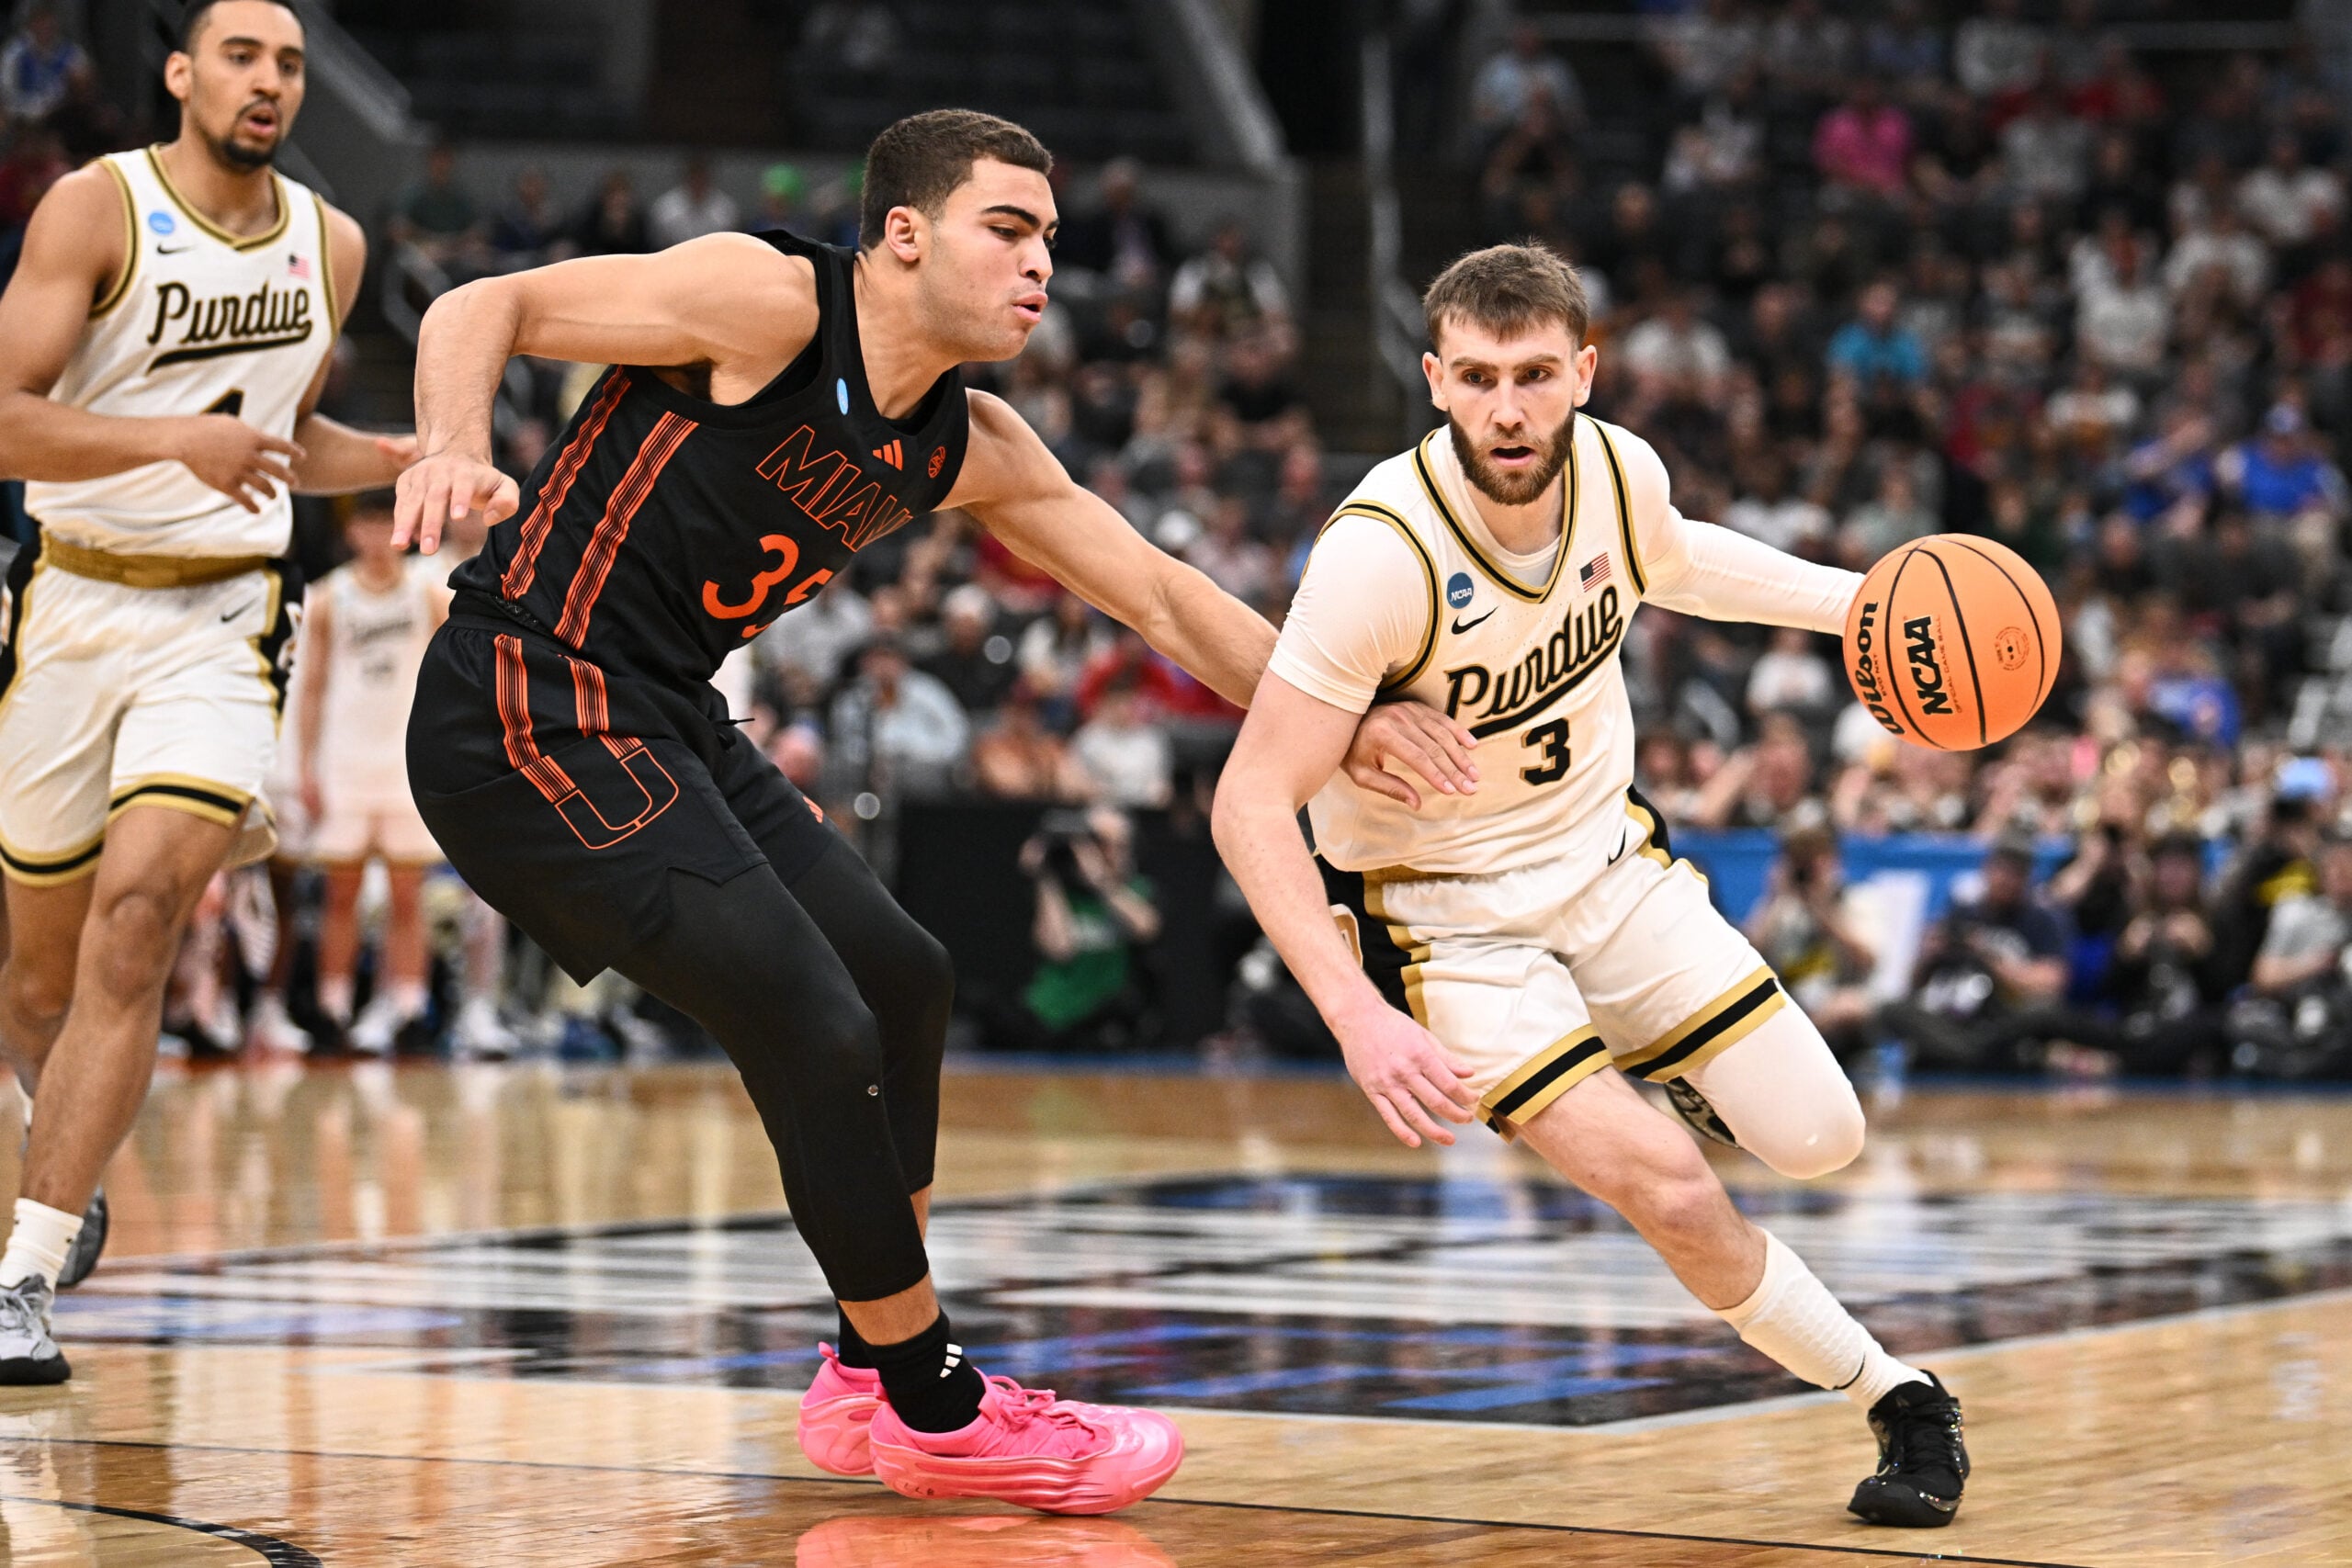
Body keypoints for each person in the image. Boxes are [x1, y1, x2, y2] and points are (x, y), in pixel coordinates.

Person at [389, 108, 1470, 1513]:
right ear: (902, 235)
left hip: (664, 713)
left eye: (1052, 243)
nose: (1041, 268)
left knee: (903, 978)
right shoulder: (767, 301)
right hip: (523, 699)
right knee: (812, 1017)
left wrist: (1346, 712)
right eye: (1007, 230)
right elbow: (490, 300)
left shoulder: (968, 439)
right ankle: (935, 1399)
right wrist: (449, 446)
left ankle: (864, 1365)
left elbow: (1156, 594)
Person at [1210, 243, 1969, 1529]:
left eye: (1538, 375)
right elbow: (1245, 800)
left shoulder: (1621, 469)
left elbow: (1682, 562)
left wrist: (1856, 603)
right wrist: (1353, 1009)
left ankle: (1652, 1049)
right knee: (1672, 1183)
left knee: (1824, 1137)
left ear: (1585, 373)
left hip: (1610, 865)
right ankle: (1895, 1391)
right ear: (1438, 379)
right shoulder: (1379, 554)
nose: (1510, 408)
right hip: (1446, 920)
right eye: (1484, 378)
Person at [0, 0, 414, 1382]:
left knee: (139, 919)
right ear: (180, 74)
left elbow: (290, 444)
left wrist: (423, 454)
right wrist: (167, 436)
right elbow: (3, 412)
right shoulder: (93, 208)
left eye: (290, 63)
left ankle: (23, 1267)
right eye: (242, 55)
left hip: (225, 619)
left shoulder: (330, 245)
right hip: (69, 599)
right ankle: (57, 1128)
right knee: (35, 979)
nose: (270, 81)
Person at [294, 491, 451, 1053]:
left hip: (407, 763)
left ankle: (409, 1009)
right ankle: (332, 1010)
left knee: (409, 896)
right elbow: (310, 688)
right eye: (368, 522)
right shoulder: (328, 598)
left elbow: (452, 683)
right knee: (341, 894)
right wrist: (305, 765)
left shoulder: (430, 594)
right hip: (345, 762)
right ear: (352, 531)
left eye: (388, 522)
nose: (378, 533)